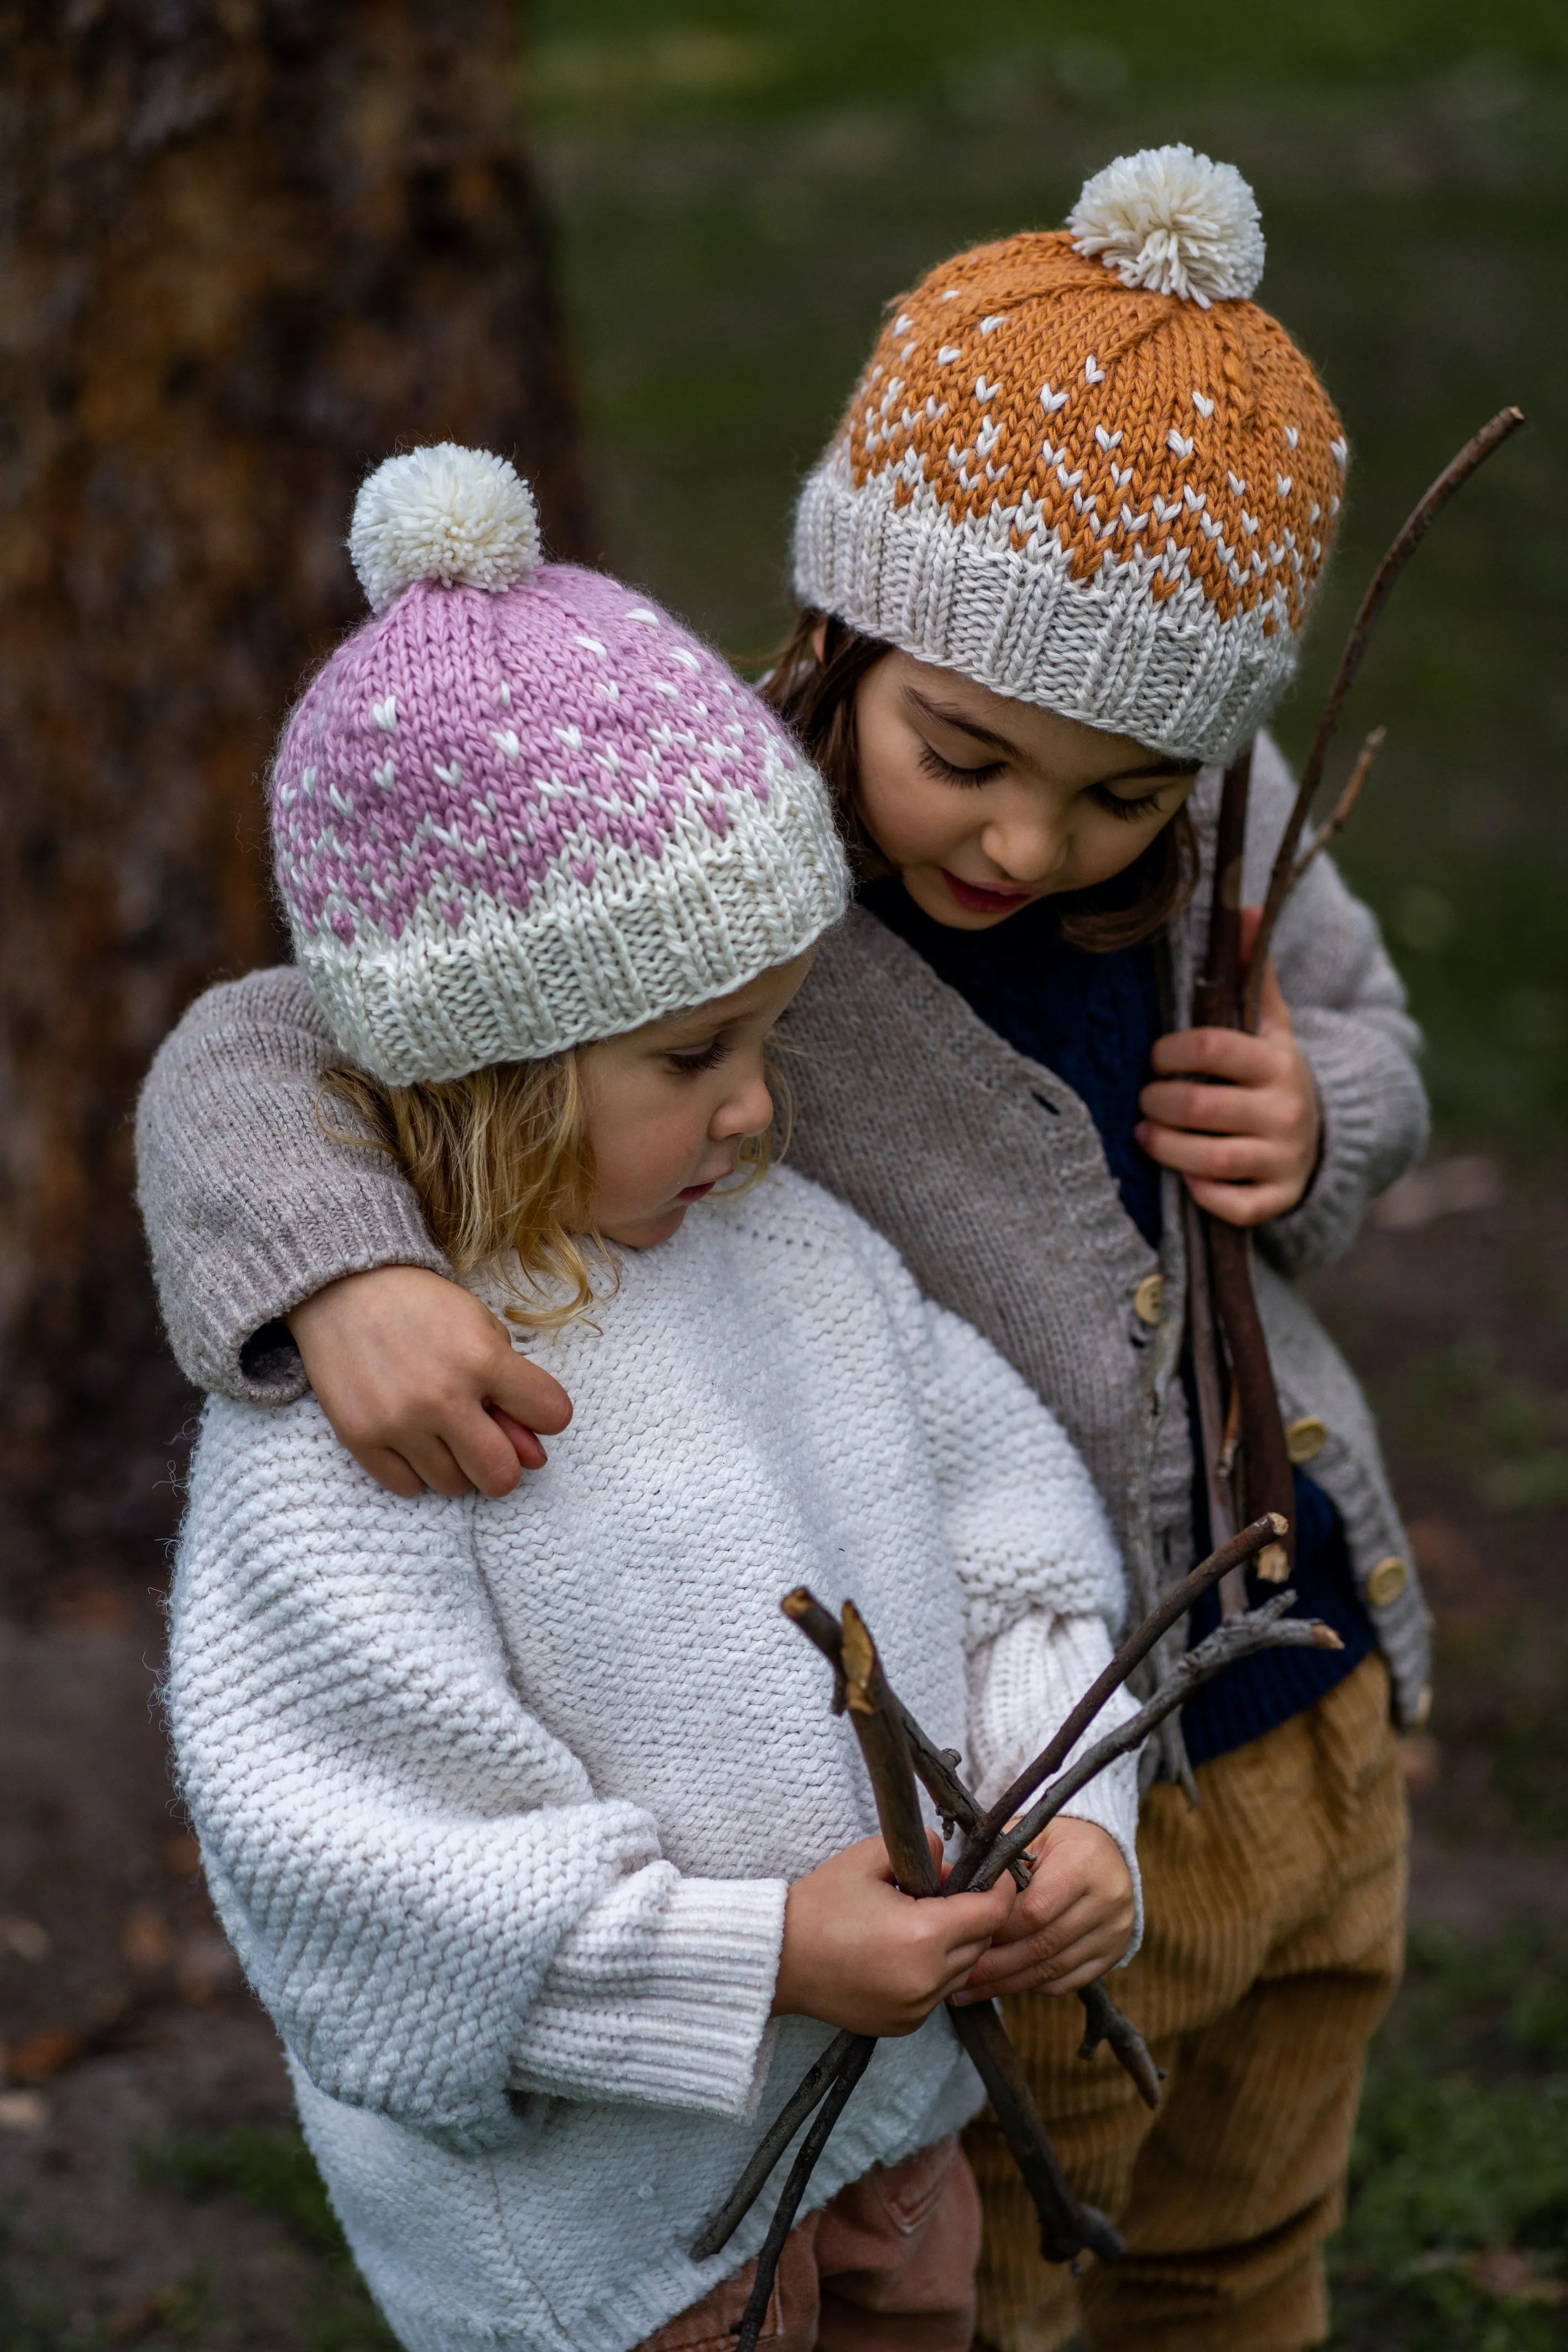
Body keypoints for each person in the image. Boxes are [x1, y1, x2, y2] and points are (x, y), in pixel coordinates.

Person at [139, 148, 1430, 2350]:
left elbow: (1375, 1024)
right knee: (1023, 2263)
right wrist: (336, 1266)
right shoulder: (699, 850)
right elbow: (268, 1044)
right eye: (969, 754)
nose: (1039, 837)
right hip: (1039, 1781)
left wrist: (1332, 1117)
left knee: (1245, 2243)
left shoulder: (1209, 803)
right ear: (849, 625)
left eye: (1124, 788)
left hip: (1303, 1661)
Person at [157, 443, 1144, 2352]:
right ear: (489, 1063)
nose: (761, 1103)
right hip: (623, 2237)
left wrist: (1070, 1811)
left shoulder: (803, 1259)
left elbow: (1019, 1558)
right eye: (698, 1053)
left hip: (891, 2119)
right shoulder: (369, 1415)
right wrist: (765, 1956)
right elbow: (354, 1875)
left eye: (771, 1033)